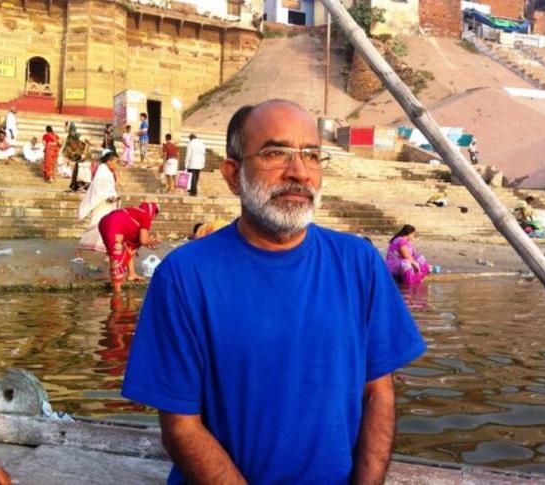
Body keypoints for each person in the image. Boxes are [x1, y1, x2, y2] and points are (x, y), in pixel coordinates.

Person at [122, 100, 426, 484]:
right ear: (233, 175)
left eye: (311, 155)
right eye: (275, 153)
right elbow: (181, 426)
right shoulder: (184, 276)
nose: (299, 172)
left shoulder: (359, 263)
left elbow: (378, 393)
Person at [98, 202, 161, 293]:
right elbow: (144, 240)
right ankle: (117, 293)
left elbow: (134, 245)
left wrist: (148, 241)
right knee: (117, 256)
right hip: (114, 225)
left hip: (104, 222)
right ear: (153, 213)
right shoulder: (146, 216)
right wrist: (154, 240)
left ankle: (131, 274)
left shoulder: (136, 212)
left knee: (128, 246)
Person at [77, 151, 119, 254]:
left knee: (108, 228)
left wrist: (114, 197)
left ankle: (107, 253)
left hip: (108, 205)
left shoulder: (108, 172)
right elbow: (97, 188)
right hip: (101, 204)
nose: (116, 165)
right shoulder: (102, 171)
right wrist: (108, 197)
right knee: (96, 226)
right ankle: (79, 250)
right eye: (115, 162)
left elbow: (110, 188)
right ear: (108, 161)